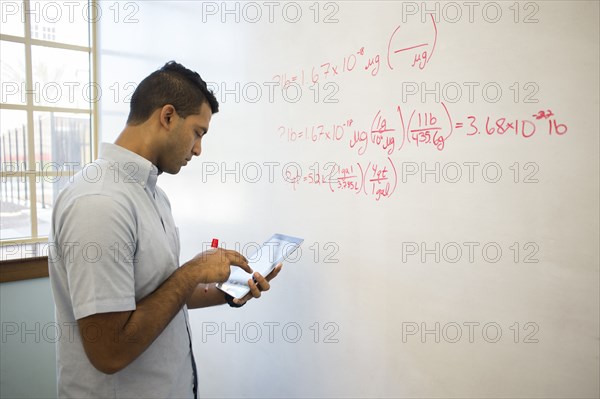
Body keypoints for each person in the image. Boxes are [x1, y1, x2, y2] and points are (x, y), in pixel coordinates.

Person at [48, 61, 281, 398]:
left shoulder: (153, 194)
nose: (199, 149)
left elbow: (158, 293)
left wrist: (229, 292)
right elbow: (109, 351)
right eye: (198, 132)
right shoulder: (99, 203)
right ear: (168, 116)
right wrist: (194, 270)